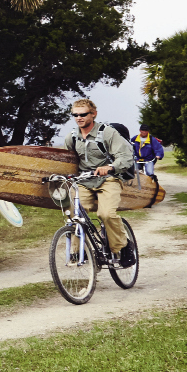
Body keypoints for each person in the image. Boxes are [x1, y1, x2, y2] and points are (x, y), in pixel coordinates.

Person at [61, 99, 136, 267]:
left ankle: (123, 247)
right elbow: (67, 161)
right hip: (84, 180)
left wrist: (110, 167)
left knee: (106, 214)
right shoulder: (72, 137)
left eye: (83, 114)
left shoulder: (107, 133)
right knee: (74, 214)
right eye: (75, 115)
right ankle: (77, 252)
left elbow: (125, 157)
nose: (79, 118)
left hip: (108, 179)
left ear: (93, 114)